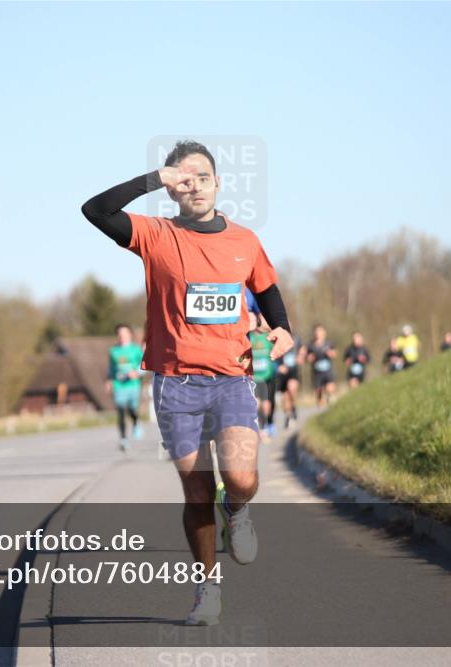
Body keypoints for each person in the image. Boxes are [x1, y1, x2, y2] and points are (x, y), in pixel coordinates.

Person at [81, 140, 293, 626]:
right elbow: (95, 209)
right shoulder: (155, 236)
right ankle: (207, 590)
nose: (194, 183)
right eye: (184, 178)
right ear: (175, 189)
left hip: (233, 378)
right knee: (196, 492)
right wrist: (156, 176)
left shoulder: (244, 240)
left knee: (239, 478)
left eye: (203, 176)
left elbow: (267, 288)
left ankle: (236, 510)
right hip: (177, 384)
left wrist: (281, 328)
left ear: (219, 184)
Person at [107, 324, 144, 451]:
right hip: (119, 385)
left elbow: (145, 365)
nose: (122, 336)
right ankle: (123, 439)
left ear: (130, 335)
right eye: (119, 334)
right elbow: (111, 368)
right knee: (121, 410)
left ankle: (135, 422)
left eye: (124, 333)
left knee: (132, 409)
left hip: (133, 385)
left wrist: (137, 373)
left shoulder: (136, 350)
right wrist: (109, 380)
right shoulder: (113, 351)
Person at [248, 311, 276, 440]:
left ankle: (266, 425)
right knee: (256, 404)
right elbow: (242, 355)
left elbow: (276, 352)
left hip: (267, 376)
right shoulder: (249, 338)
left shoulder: (268, 337)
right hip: (255, 378)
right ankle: (259, 428)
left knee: (266, 406)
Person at [275, 331, 304, 429]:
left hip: (293, 371)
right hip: (282, 372)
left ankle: (293, 407)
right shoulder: (276, 338)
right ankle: (288, 416)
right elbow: (271, 353)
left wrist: (301, 356)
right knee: (285, 397)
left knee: (291, 389)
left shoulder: (296, 339)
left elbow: (303, 349)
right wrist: (278, 366)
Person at [306, 325, 337, 407]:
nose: (318, 334)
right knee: (318, 394)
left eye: (320, 332)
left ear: (324, 333)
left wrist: (329, 353)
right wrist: (310, 357)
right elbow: (307, 358)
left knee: (330, 388)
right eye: (317, 332)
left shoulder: (329, 343)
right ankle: (322, 407)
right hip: (317, 373)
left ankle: (329, 400)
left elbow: (334, 354)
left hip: (328, 371)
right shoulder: (311, 345)